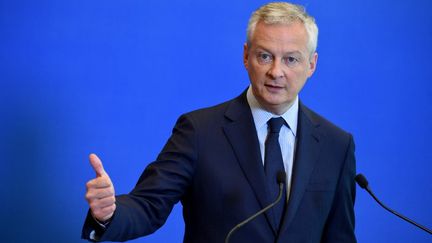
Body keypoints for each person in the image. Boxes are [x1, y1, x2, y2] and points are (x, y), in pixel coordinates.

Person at [82, 2, 357, 242]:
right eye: (265, 56)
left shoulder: (337, 145)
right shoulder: (199, 131)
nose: (276, 71)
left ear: (311, 65)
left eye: (291, 59)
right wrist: (110, 213)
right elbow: (148, 205)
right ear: (246, 56)